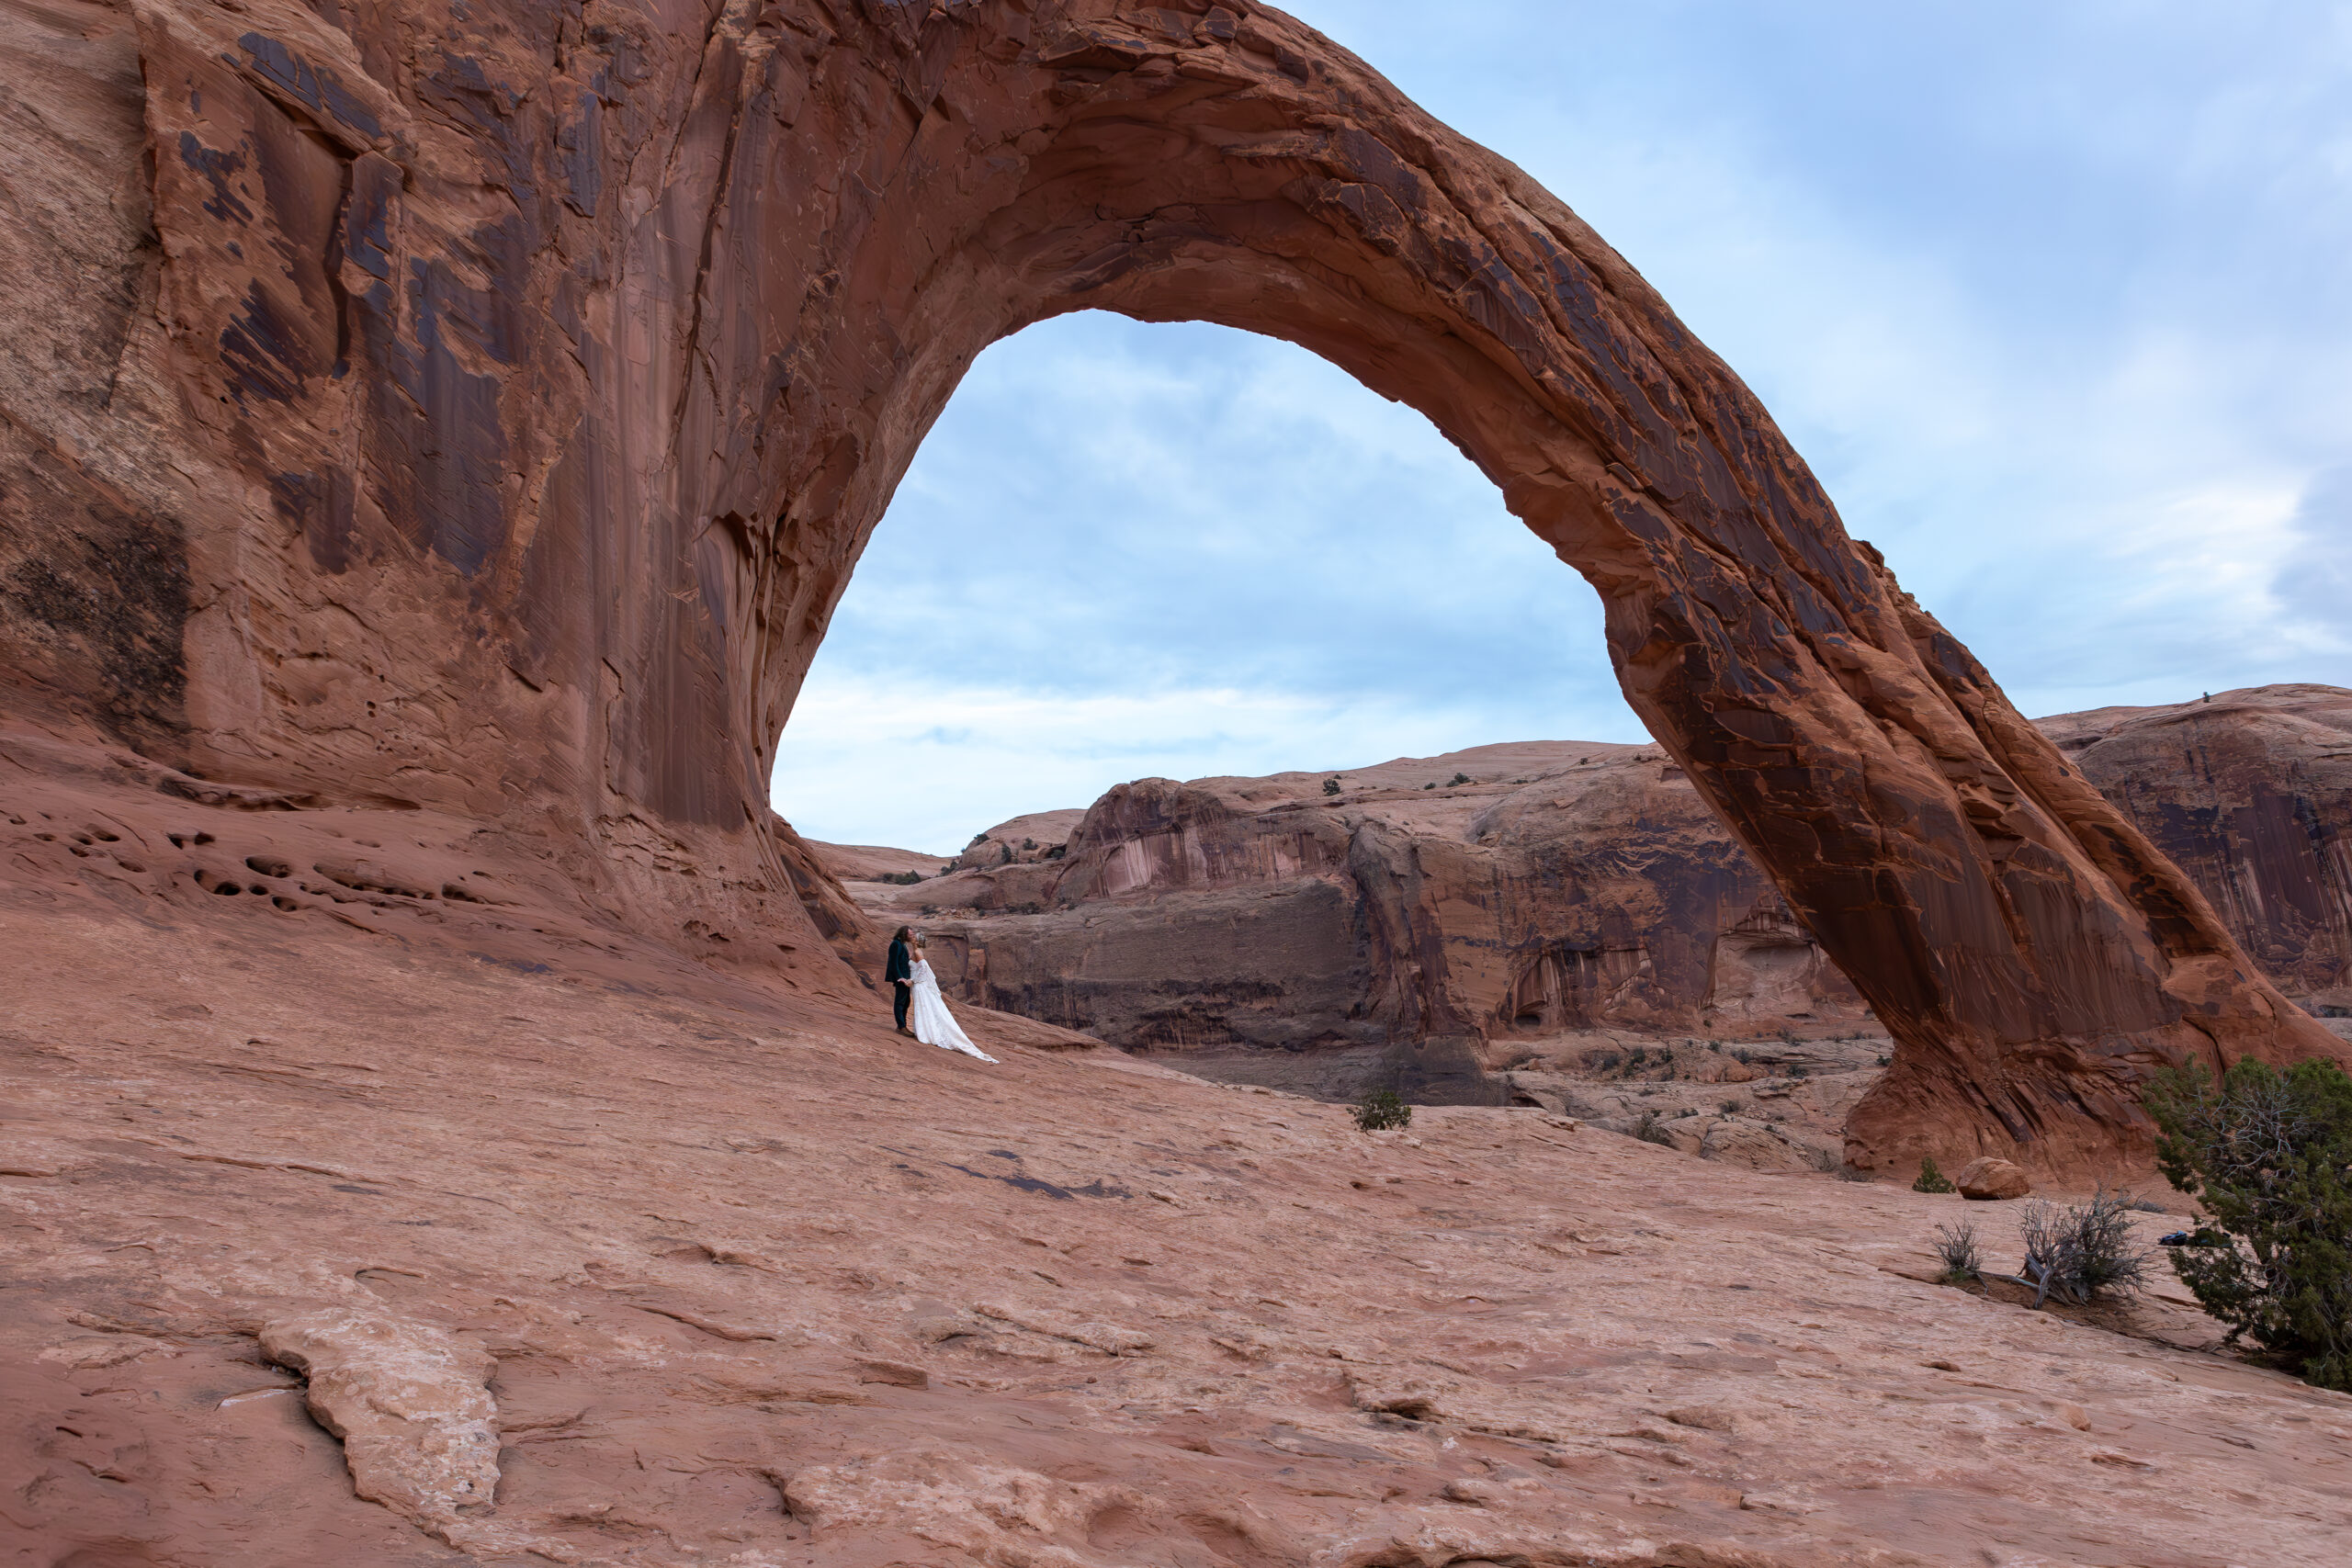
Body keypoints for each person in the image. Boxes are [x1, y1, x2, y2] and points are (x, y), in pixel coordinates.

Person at [905, 932, 997, 1062]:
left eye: (914, 937)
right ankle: (926, 1030)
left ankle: (927, 1033)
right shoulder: (916, 951)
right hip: (919, 984)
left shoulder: (918, 952)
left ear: (917, 941)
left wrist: (912, 980)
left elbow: (925, 969)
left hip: (920, 985)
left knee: (924, 1006)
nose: (912, 937)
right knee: (924, 1007)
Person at [886, 925, 914, 1035]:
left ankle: (903, 1025)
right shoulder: (895, 944)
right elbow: (893, 962)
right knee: (900, 1002)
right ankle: (901, 1027)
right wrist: (900, 977)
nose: (911, 936)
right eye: (910, 935)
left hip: (906, 978)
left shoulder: (901, 944)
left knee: (906, 1001)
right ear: (904, 934)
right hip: (901, 978)